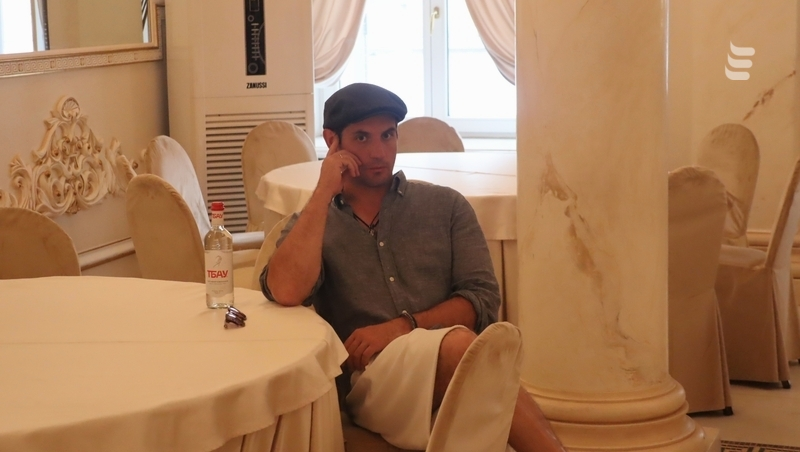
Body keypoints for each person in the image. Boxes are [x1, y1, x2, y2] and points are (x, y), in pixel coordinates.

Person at [260, 83, 564, 452]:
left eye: (388, 135)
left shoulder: (445, 206)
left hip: (451, 363)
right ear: (332, 141)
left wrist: (402, 326)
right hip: (370, 382)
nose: (378, 152)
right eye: (362, 137)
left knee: (474, 359)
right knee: (473, 353)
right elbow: (286, 290)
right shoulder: (316, 222)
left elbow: (482, 300)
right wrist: (324, 191)